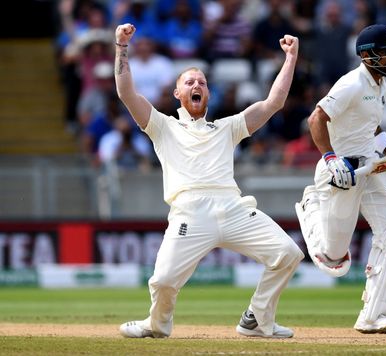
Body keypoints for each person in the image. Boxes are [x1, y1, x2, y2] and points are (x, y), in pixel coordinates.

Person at [114, 23, 303, 339]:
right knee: (162, 281)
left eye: (201, 81)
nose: (196, 84)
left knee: (288, 253)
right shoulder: (162, 126)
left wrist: (291, 57)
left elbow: (274, 103)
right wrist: (121, 46)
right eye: (189, 82)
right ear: (178, 94)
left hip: (233, 209)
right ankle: (157, 324)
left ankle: (255, 319)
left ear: (208, 93)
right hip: (190, 212)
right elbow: (126, 93)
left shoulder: (227, 127)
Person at [295, 24, 386, 334]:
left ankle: (372, 317)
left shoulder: (380, 85)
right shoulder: (352, 83)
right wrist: (330, 159)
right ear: (368, 55)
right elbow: (316, 118)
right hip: (342, 172)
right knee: (334, 259)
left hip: (370, 167)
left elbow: (373, 131)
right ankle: (310, 206)